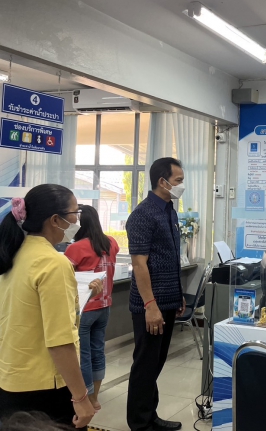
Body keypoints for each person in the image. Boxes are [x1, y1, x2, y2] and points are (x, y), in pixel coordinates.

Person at [0, 185, 98, 429]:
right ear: (55, 220)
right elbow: (60, 340)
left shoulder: (14, 255)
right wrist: (81, 398)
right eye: (75, 212)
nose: (77, 220)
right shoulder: (53, 264)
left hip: (11, 379)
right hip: (44, 386)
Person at [126, 157, 187, 431]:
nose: (182, 185)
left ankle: (151, 415)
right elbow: (140, 264)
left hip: (168, 300)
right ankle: (139, 423)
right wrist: (150, 305)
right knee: (145, 364)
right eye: (178, 181)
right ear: (162, 182)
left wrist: (178, 293)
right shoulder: (143, 214)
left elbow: (170, 257)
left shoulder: (169, 211)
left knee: (156, 363)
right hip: (150, 305)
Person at [64, 205, 120, 411]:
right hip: (104, 307)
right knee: (98, 351)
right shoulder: (111, 242)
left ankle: (86, 399)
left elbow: (64, 277)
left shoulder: (75, 248)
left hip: (84, 310)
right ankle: (95, 397)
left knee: (83, 355)